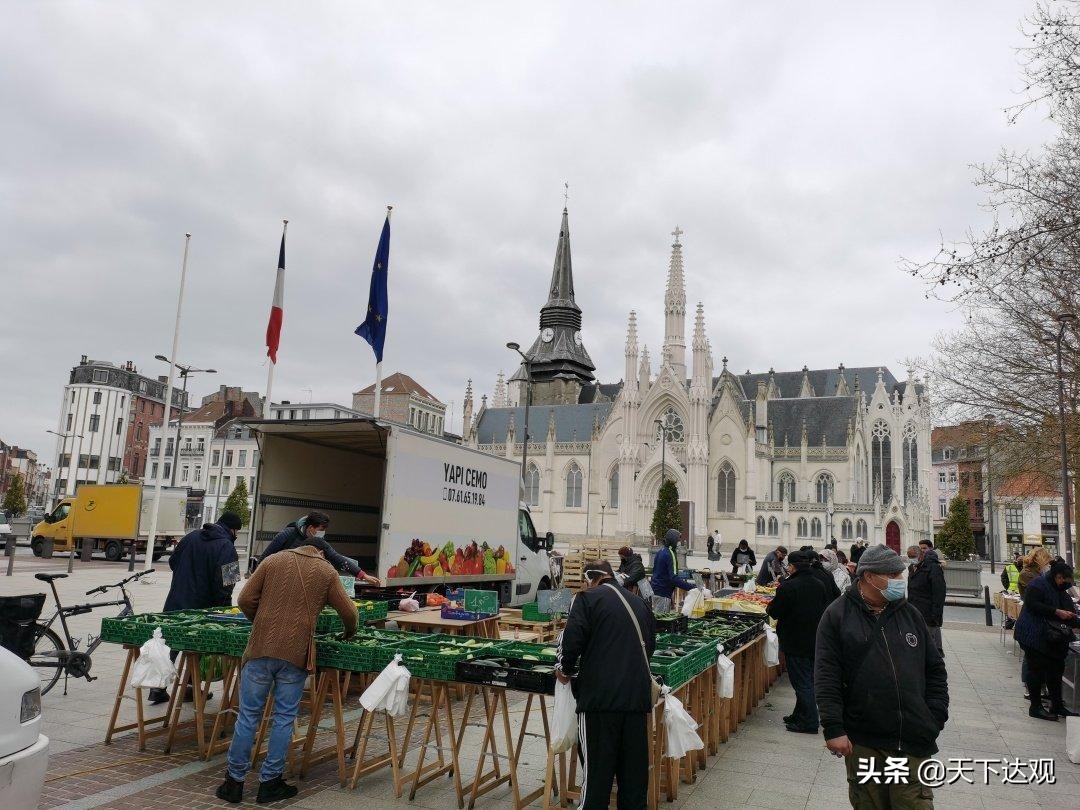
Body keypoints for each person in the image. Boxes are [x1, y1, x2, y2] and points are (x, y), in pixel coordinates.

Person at [216, 540, 359, 804]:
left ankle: (233, 783)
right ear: (322, 552)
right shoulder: (327, 571)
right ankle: (269, 783)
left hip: (259, 650)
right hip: (295, 655)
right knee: (283, 717)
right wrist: (349, 632)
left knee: (248, 716)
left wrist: (260, 622)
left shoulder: (272, 561)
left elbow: (245, 599)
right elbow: (349, 612)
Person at [816, 544, 949, 809]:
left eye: (900, 575)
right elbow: (826, 675)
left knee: (914, 804)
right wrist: (834, 727)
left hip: (911, 738)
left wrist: (935, 715)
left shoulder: (910, 615)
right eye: (893, 575)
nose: (900, 581)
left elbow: (934, 669)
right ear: (868, 576)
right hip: (864, 740)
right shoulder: (837, 615)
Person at [556, 560, 656, 809]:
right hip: (636, 702)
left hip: (599, 703)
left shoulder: (586, 599)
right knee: (633, 784)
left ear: (592, 578)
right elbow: (650, 646)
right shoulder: (639, 604)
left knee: (597, 782)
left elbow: (571, 642)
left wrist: (565, 670)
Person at [148, 512, 243, 704]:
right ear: (232, 530)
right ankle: (189, 689)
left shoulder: (191, 537)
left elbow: (173, 562)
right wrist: (224, 608)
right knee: (199, 646)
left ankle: (157, 688)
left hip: (177, 600)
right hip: (204, 607)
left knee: (171, 643)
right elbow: (227, 582)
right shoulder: (226, 546)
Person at [767, 550, 831, 734]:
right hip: (815, 638)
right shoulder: (819, 584)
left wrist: (770, 606)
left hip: (795, 639)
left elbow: (776, 611)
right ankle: (800, 714)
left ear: (793, 567)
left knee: (801, 681)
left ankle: (810, 721)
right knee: (807, 678)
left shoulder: (788, 586)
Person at [1013, 560, 1080, 721]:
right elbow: (1032, 605)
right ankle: (1035, 707)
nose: (1066, 584)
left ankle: (1057, 705)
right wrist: (1057, 612)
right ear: (1058, 576)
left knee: (1056, 668)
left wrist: (1072, 617)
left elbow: (1070, 612)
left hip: (1051, 636)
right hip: (1033, 634)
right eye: (1064, 580)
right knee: (1036, 669)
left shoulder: (1060, 590)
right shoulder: (1038, 584)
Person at [255, 512, 381, 586]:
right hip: (278, 580)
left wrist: (363, 575)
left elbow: (337, 558)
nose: (323, 533)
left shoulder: (320, 542)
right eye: (321, 530)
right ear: (311, 528)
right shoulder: (287, 535)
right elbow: (264, 559)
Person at [906, 544, 946, 656]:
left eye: (914, 557)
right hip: (915, 610)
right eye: (910, 558)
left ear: (921, 555)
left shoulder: (933, 568)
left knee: (929, 642)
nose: (912, 560)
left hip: (928, 612)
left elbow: (939, 593)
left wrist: (936, 615)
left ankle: (934, 663)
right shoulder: (912, 567)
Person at [650, 529, 696, 612]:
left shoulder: (661, 551)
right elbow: (673, 578)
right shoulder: (670, 553)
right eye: (678, 541)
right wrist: (691, 587)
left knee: (657, 616)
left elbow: (660, 571)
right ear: (673, 541)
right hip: (663, 592)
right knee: (662, 620)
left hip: (656, 589)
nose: (679, 543)